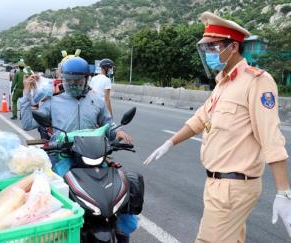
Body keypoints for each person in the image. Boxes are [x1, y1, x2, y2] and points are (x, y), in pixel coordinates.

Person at [144, 11, 291, 243]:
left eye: (212, 46)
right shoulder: (223, 83)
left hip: (234, 187)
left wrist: (284, 192)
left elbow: (271, 137)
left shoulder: (257, 81)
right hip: (217, 184)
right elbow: (200, 120)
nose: (208, 52)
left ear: (233, 47)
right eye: (205, 48)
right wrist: (170, 142)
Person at [20, 57, 134, 242]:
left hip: (93, 156)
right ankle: (58, 233)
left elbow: (108, 125)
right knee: (57, 196)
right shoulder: (53, 102)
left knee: (121, 191)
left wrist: (118, 132)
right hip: (64, 156)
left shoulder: (96, 100)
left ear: (86, 79)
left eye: (77, 82)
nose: (72, 85)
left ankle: (121, 233)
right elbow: (26, 124)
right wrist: (26, 94)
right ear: (63, 80)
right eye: (69, 81)